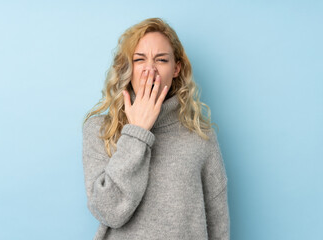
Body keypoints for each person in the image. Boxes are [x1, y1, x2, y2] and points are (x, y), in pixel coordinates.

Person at [82, 17, 230, 240]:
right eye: (139, 60)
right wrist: (137, 131)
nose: (149, 70)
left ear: (176, 68)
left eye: (161, 60)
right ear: (127, 68)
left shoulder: (201, 136)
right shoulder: (100, 130)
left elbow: (218, 225)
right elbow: (109, 212)